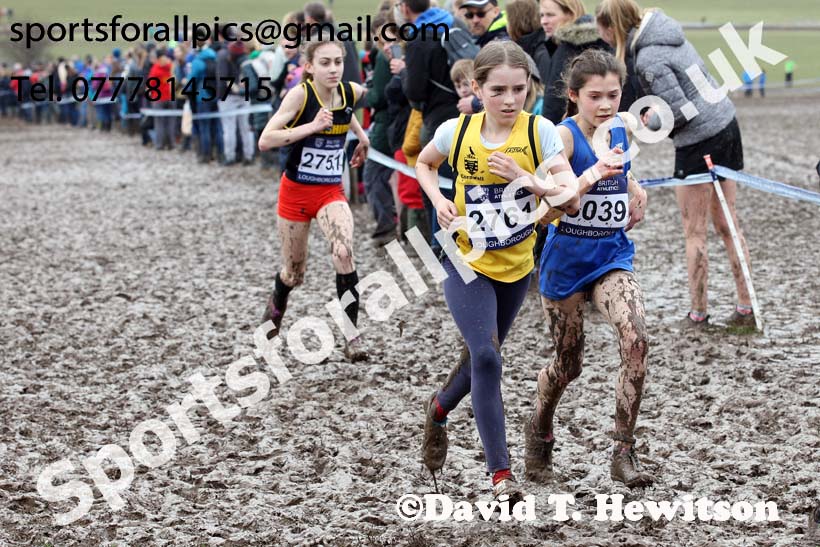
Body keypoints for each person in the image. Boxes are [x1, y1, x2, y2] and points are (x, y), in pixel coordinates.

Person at [415, 41, 585, 500]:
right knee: (488, 358)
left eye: (519, 89)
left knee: (479, 359)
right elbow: (424, 163)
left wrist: (526, 179)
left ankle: (438, 409)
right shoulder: (456, 132)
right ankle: (501, 476)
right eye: (498, 91)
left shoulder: (539, 131)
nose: (510, 100)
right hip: (464, 261)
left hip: (515, 266)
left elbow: (568, 193)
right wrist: (439, 200)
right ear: (477, 89)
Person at [524, 48, 654, 488]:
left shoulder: (617, 128)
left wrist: (635, 187)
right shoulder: (561, 138)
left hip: (612, 257)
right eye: (595, 96)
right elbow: (542, 213)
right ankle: (539, 430)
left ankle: (623, 451)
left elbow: (621, 171)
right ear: (575, 95)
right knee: (568, 365)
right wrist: (590, 177)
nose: (605, 105)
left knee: (637, 341)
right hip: (565, 265)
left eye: (613, 95)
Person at [596, 0, 755, 329]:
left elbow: (680, 110)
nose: (605, 40)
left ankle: (698, 314)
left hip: (699, 141)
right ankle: (746, 307)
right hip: (726, 124)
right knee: (728, 223)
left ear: (613, 28)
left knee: (694, 231)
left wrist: (651, 120)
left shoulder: (648, 57)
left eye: (605, 34)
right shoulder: (667, 34)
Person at [257, 39, 370, 361]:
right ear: (309, 67)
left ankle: (352, 337)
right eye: (325, 63)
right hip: (295, 194)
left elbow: (346, 112)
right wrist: (312, 127)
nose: (333, 69)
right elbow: (266, 140)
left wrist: (362, 137)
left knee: (344, 252)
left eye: (338, 62)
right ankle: (275, 309)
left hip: (329, 192)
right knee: (294, 274)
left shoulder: (349, 91)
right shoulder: (300, 95)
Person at [539, 0, 610, 123]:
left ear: (571, 13)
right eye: (542, 15)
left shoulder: (568, 49)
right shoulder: (601, 41)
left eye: (550, 15)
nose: (543, 21)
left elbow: (555, 102)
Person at [362, 12, 398, 246]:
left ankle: (385, 227)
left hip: (385, 124)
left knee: (373, 175)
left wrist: (365, 95)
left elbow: (379, 96)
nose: (384, 45)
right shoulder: (388, 56)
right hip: (391, 122)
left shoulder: (384, 59)